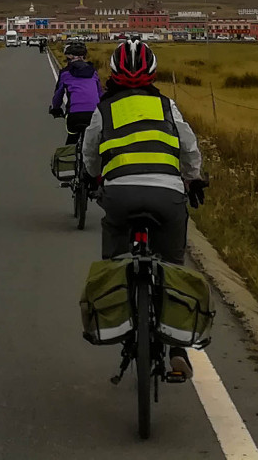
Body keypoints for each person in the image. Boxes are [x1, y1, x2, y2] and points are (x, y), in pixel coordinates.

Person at [79, 38, 208, 383]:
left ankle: (119, 315)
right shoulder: (167, 106)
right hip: (167, 194)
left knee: (116, 260)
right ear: (152, 72)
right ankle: (178, 349)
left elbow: (90, 152)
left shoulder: (104, 108)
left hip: (120, 194)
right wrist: (194, 180)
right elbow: (189, 147)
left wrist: (94, 180)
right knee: (173, 264)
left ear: (114, 73)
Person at [48, 41, 102, 144]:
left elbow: (58, 95)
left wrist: (55, 108)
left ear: (68, 57)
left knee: (71, 144)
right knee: (97, 144)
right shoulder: (93, 72)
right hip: (94, 114)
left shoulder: (65, 73)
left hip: (75, 115)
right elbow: (100, 94)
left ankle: (69, 156)